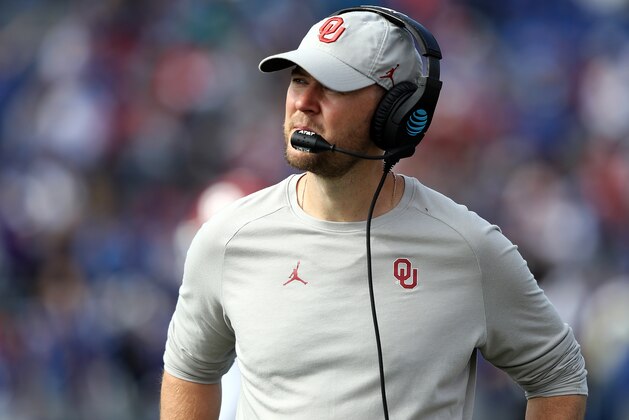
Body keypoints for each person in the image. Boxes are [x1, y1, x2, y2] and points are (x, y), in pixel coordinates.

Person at [160, 6, 588, 420]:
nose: (303, 102)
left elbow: (559, 374)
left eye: (330, 86)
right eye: (297, 81)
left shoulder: (470, 248)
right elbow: (190, 371)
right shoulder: (227, 239)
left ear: (396, 113)